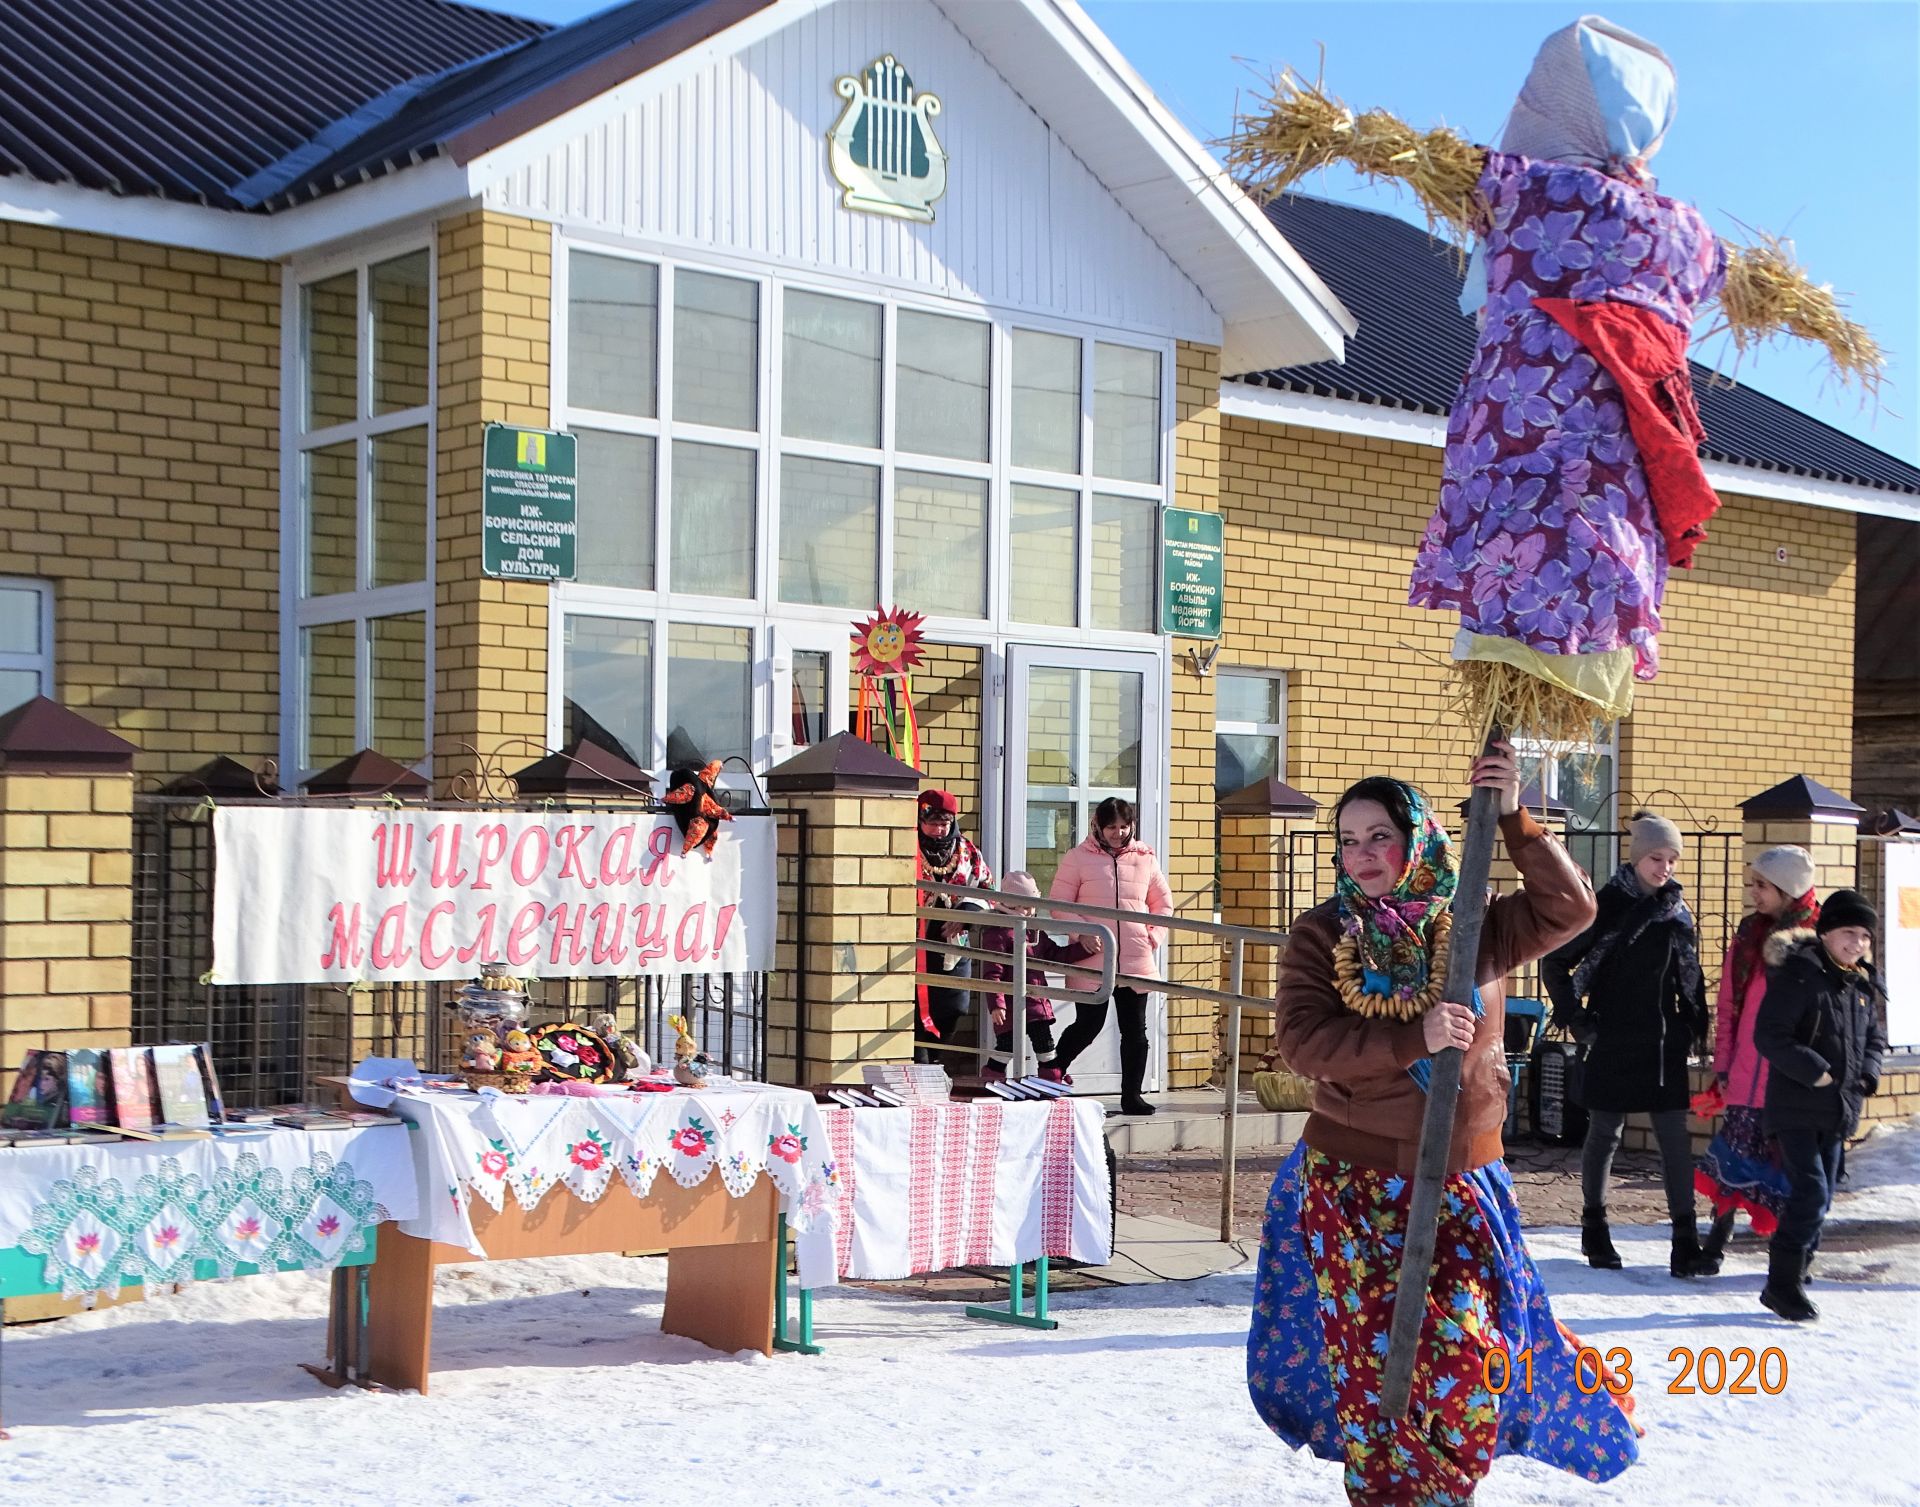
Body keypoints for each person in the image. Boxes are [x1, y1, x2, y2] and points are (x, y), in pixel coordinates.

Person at [1247, 743, 1639, 1505]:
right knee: (1372, 1372)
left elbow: (1573, 908)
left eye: (1379, 837)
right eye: (1349, 840)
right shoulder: (1323, 934)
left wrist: (1518, 818)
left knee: (1467, 1358)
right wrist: (1412, 1038)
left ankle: (1444, 1485)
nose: (1361, 855)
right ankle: (1395, 1494)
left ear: (1417, 838)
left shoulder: (1474, 925)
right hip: (1353, 1190)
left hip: (1460, 1183)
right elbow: (1303, 1042)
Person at [1542, 810, 1711, 1276]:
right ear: (1636, 857)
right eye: (1657, 857)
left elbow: (1688, 980)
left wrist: (1686, 1027)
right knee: (1605, 1133)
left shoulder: (1676, 914)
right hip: (1612, 1039)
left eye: (1672, 859)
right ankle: (1595, 1229)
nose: (1665, 868)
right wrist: (1581, 1025)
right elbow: (1555, 965)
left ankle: (1685, 1243)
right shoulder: (1605, 906)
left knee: (1675, 1140)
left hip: (1661, 1045)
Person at [1751, 888, 1887, 1322]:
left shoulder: (1860, 983)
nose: (1858, 943)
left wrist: (1867, 1074)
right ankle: (1781, 1284)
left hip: (1837, 1108)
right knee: (1811, 1192)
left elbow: (1873, 1038)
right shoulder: (1801, 975)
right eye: (1849, 932)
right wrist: (1817, 1071)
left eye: (1865, 935)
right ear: (1826, 932)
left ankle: (1798, 1267)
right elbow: (1770, 1035)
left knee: (1822, 1197)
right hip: (1795, 1105)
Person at [1693, 847, 1819, 1273]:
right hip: (1747, 1074)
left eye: (1761, 885)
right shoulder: (1749, 935)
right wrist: (1724, 1066)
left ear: (1787, 889)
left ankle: (1794, 1260)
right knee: (1733, 1162)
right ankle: (1714, 1245)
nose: (1753, 893)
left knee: (1791, 1173)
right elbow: (1728, 1006)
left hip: (1792, 1080)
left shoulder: (1819, 938)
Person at [1047, 797, 1172, 1115]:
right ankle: (1049, 1077)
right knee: (1087, 1025)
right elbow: (1059, 903)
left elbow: (1163, 904)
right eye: (1111, 827)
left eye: (1124, 826)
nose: (1118, 833)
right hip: (1092, 960)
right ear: (1098, 827)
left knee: (1135, 1031)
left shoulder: (1145, 859)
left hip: (1135, 960)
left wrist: (1151, 938)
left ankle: (1132, 1096)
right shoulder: (1077, 858)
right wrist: (1081, 934)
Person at [975, 872, 1097, 1081]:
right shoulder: (998, 932)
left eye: (1031, 907)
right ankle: (993, 1076)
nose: (1028, 911)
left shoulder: (1033, 930)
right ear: (1009, 904)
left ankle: (1050, 1078)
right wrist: (997, 1003)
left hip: (1035, 1001)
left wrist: (1084, 950)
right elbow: (992, 971)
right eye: (1023, 907)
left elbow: (1054, 955)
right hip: (1011, 1004)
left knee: (1044, 1043)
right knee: (1007, 1044)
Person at [914, 788, 992, 1061]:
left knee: (955, 1006)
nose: (938, 830)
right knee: (915, 1008)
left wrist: (966, 916)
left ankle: (936, 1058)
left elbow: (986, 887)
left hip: (953, 939)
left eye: (944, 823)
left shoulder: (966, 850)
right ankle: (922, 1068)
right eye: (932, 823)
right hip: (915, 937)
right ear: (920, 821)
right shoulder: (906, 846)